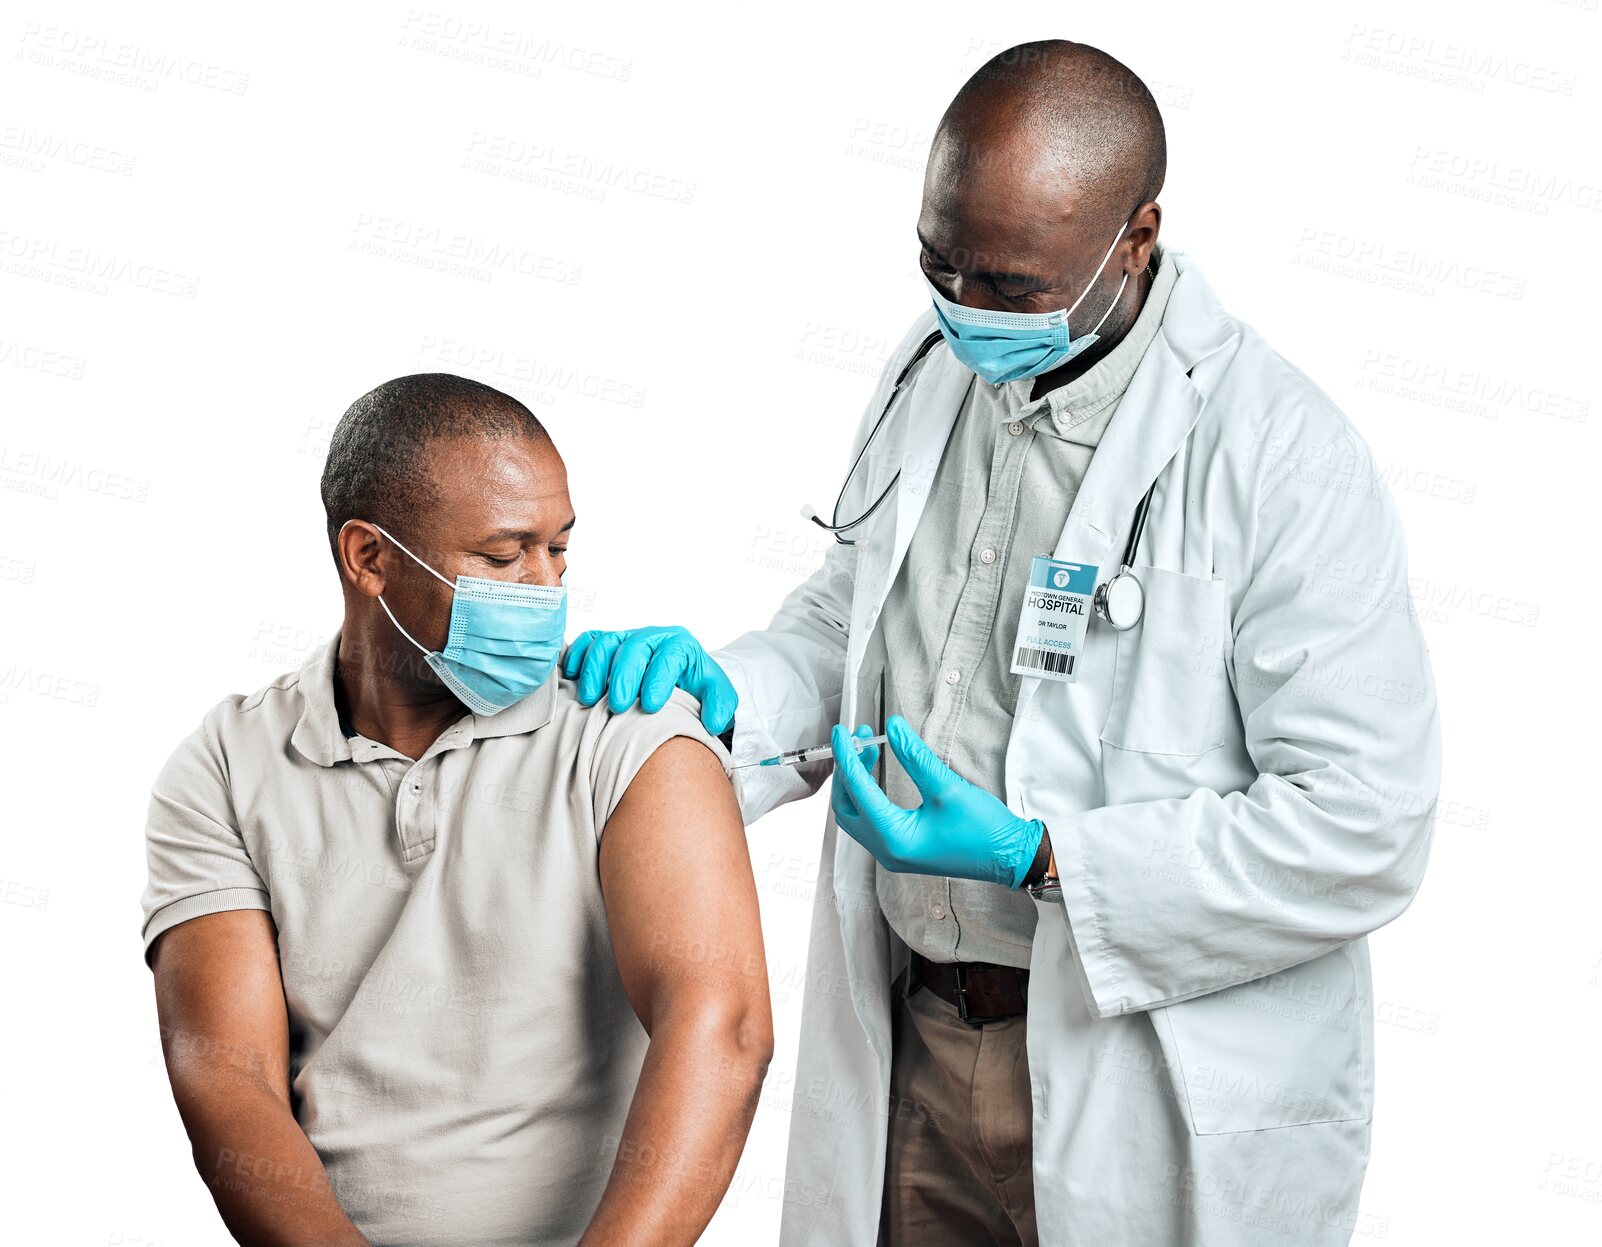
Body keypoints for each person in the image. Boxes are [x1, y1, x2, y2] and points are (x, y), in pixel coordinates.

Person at [565, 39, 1441, 1247]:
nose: (967, 309)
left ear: (1134, 238)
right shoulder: (930, 371)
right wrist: (732, 696)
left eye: (1013, 286)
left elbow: (1366, 822)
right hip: (918, 1045)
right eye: (941, 265)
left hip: (1142, 1076)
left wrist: (1043, 855)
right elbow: (851, 613)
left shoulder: (1279, 457)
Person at [140, 374, 772, 1247]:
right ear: (370, 557)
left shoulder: (629, 735)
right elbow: (225, 1072)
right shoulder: (227, 763)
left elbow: (720, 1024)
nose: (545, 589)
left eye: (559, 549)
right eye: (504, 555)